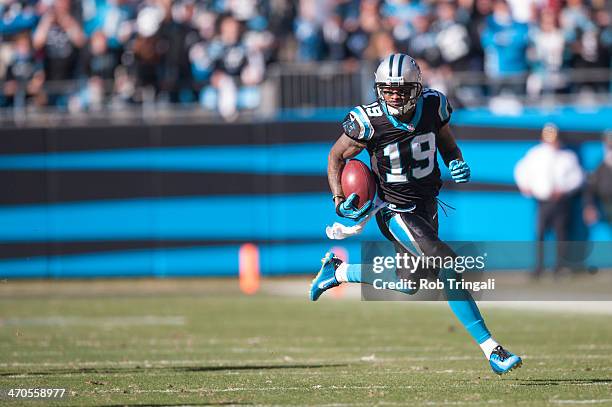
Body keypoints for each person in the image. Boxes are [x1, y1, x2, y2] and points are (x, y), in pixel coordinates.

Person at [309, 53, 522, 376]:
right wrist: (339, 199)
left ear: (417, 88)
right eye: (388, 89)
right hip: (393, 209)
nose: (394, 96)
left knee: (408, 283)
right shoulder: (369, 120)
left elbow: (447, 144)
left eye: (401, 89)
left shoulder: (434, 106)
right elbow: (336, 156)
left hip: (426, 205)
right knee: (447, 264)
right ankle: (492, 349)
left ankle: (337, 272)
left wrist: (455, 162)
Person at [514, 123, 584, 277]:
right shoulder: (535, 154)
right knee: (540, 233)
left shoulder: (567, 157)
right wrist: (525, 186)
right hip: (543, 201)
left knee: (561, 234)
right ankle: (539, 267)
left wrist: (564, 188)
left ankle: (560, 267)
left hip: (561, 202)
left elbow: (577, 178)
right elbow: (521, 170)